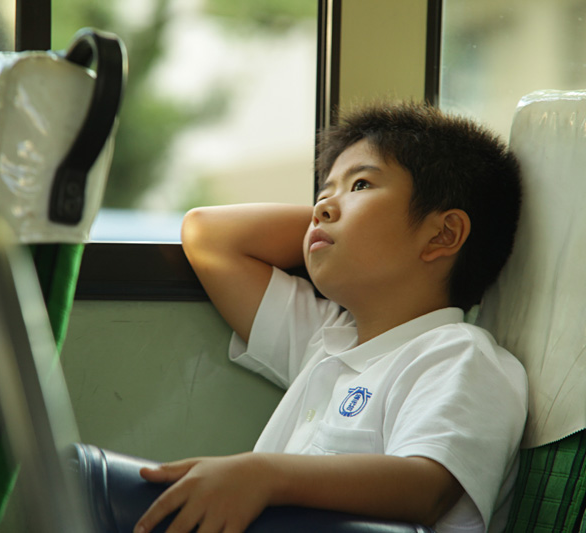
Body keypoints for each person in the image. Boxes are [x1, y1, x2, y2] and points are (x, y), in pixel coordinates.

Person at [134, 102, 528, 533]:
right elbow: (208, 237)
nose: (322, 208)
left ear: (443, 234)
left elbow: (426, 488)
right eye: (322, 194)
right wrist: (336, 219)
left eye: (361, 185)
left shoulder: (458, 355)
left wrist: (266, 476)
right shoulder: (324, 341)